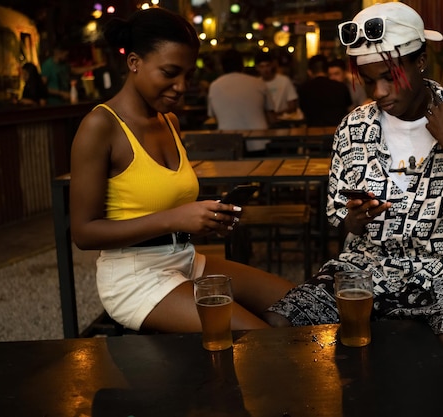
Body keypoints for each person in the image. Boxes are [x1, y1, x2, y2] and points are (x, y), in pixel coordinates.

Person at [264, 2, 443, 381]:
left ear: (421, 61)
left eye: (390, 77)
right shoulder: (354, 127)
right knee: (281, 322)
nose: (379, 91)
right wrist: (355, 219)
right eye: (367, 79)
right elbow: (343, 221)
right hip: (363, 267)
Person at [69, 8, 294, 334]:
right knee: (261, 339)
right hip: (134, 278)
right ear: (134, 62)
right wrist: (176, 219)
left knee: (298, 304)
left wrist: (206, 219)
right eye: (170, 73)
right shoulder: (100, 126)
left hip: (185, 261)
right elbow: (84, 233)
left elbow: (167, 206)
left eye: (188, 75)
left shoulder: (168, 121)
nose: (180, 86)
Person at [207, 49, 276, 156]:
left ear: (222, 66)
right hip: (260, 141)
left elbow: (214, 117)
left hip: (228, 144)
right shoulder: (258, 83)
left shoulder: (214, 86)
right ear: (242, 65)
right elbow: (271, 117)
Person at [298, 54, 352, 127]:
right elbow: (348, 107)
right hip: (338, 130)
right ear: (327, 70)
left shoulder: (303, 88)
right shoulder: (341, 87)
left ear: (310, 72)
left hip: (312, 132)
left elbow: (302, 110)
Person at [254, 50, 301, 123]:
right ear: (257, 68)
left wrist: (277, 114)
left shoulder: (284, 81)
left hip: (282, 121)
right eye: (262, 67)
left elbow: (292, 106)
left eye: (267, 66)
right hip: (264, 122)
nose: (265, 70)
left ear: (272, 65)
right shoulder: (256, 84)